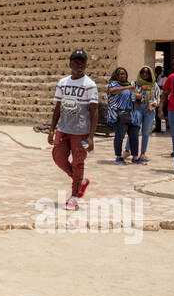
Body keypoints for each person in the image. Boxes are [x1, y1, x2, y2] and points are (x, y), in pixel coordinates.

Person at [48, 49, 99, 211]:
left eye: (82, 61)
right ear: (69, 63)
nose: (79, 64)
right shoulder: (62, 83)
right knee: (58, 158)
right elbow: (57, 108)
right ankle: (80, 180)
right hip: (63, 129)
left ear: (86, 64)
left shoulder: (90, 85)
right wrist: (52, 129)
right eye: (76, 61)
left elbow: (94, 111)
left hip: (81, 131)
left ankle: (74, 196)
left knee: (78, 161)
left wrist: (91, 137)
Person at [105, 67, 140, 164]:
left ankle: (135, 157)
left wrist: (138, 95)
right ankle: (118, 156)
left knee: (134, 135)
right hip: (119, 115)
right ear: (117, 75)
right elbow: (112, 91)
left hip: (132, 114)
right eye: (121, 74)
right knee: (119, 136)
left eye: (124, 74)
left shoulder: (129, 85)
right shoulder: (113, 84)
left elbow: (135, 97)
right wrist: (128, 88)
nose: (123, 76)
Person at [132, 65, 159, 163]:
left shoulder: (154, 85)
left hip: (150, 110)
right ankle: (127, 150)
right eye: (142, 72)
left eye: (147, 72)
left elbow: (157, 97)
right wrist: (141, 90)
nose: (144, 74)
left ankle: (143, 153)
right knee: (134, 130)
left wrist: (155, 103)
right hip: (138, 108)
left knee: (145, 133)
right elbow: (132, 97)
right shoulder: (135, 84)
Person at [153, 65, 167, 132]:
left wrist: (157, 87)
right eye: (156, 70)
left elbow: (165, 88)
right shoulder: (154, 78)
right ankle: (157, 127)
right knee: (155, 112)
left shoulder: (164, 78)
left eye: (159, 70)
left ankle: (163, 128)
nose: (157, 71)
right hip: (155, 97)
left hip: (162, 97)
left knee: (162, 112)